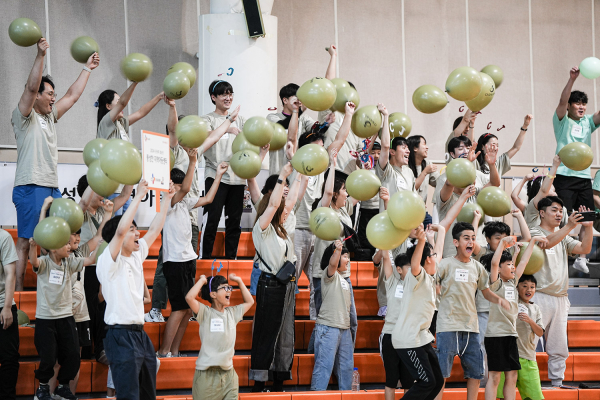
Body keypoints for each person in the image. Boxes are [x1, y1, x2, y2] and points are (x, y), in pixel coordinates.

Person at [12, 38, 99, 291]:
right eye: (49, 94)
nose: (53, 99)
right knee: (27, 241)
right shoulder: (24, 116)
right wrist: (40, 56)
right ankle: (18, 290)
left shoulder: (50, 117)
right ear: (38, 95)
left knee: (59, 236)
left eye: (53, 95)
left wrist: (87, 69)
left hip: (51, 187)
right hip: (30, 186)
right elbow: (30, 88)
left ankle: (51, 286)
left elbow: (72, 96)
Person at [97, 180, 175, 399]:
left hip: (140, 335)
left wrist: (166, 199)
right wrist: (139, 195)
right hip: (120, 335)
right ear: (118, 239)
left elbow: (155, 228)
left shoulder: (136, 256)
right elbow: (120, 230)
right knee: (129, 396)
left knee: (147, 394)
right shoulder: (108, 261)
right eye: (133, 230)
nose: (137, 233)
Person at [157, 155, 227, 358]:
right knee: (179, 308)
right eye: (177, 186)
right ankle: (163, 351)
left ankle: (175, 350)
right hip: (175, 262)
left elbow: (208, 199)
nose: (180, 189)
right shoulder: (166, 201)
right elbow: (186, 188)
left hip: (188, 259)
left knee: (188, 310)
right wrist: (193, 162)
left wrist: (218, 176)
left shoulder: (184, 202)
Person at [42, 196, 112, 395]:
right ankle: (49, 394)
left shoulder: (81, 252)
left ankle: (68, 395)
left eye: (78, 233)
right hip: (58, 313)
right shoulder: (52, 253)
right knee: (56, 360)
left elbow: (99, 238)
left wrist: (107, 214)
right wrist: (45, 208)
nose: (77, 237)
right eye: (73, 234)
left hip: (79, 315)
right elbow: (42, 237)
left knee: (75, 360)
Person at [293, 101, 355, 320]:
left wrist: (348, 114)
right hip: (297, 230)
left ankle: (315, 320)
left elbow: (339, 140)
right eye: (315, 149)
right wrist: (296, 112)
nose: (321, 153)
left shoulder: (324, 168)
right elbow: (292, 138)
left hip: (318, 233)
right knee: (290, 280)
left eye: (322, 149)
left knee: (316, 280)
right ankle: (286, 320)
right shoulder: (294, 165)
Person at [434, 222, 510, 400]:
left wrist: (498, 299)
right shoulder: (444, 264)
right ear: (455, 242)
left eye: (473, 239)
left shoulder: (477, 267)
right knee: (441, 374)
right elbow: (433, 286)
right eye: (466, 238)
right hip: (447, 326)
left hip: (471, 328)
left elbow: (486, 292)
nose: (471, 242)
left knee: (475, 374)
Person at [29, 215, 96, 400]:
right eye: (65, 243)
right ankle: (43, 388)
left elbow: (89, 261)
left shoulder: (70, 262)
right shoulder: (44, 262)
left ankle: (63, 387)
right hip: (46, 318)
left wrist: (105, 244)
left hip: (66, 316)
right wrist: (33, 246)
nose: (69, 246)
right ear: (52, 246)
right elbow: (33, 262)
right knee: (49, 357)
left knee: (73, 353)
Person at [528, 197, 593, 387]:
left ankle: (557, 382)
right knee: (528, 343)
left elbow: (584, 247)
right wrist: (569, 227)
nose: (559, 214)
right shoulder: (534, 231)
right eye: (554, 210)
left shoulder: (563, 235)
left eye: (560, 211)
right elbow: (546, 243)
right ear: (541, 213)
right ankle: (526, 384)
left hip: (560, 297)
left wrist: (587, 227)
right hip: (537, 295)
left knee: (559, 345)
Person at [250, 163, 301, 392]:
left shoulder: (280, 228)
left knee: (284, 333)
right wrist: (282, 176)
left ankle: (279, 377)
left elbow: (290, 202)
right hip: (270, 284)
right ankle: (260, 382)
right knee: (267, 332)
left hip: (285, 285)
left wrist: (301, 174)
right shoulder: (262, 227)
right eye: (279, 207)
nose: (284, 209)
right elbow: (274, 203)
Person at [481, 235, 547, 400]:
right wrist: (503, 244)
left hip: (511, 336)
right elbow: (495, 263)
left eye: (512, 265)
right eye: (509, 264)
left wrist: (532, 242)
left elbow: (523, 263)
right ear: (499, 268)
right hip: (495, 336)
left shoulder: (513, 282)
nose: (513, 267)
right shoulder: (496, 284)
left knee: (512, 376)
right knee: (495, 377)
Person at [77, 176, 132, 364]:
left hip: (104, 266)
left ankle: (100, 348)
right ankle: (86, 349)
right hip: (86, 267)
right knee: (89, 307)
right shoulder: (79, 212)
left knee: (103, 306)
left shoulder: (104, 209)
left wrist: (132, 174)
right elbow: (84, 201)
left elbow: (125, 195)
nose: (104, 193)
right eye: (98, 188)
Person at [553, 67, 600, 273]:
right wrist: (571, 79)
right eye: (577, 103)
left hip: (582, 177)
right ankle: (558, 254)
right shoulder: (562, 121)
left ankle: (582, 257)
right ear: (571, 106)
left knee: (587, 217)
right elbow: (562, 102)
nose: (581, 107)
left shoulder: (588, 122)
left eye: (583, 104)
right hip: (563, 175)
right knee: (564, 218)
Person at [391, 226, 446, 400]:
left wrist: (440, 232)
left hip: (421, 338)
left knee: (436, 381)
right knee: (426, 381)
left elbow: (438, 252)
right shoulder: (417, 275)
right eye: (434, 256)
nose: (437, 258)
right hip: (408, 338)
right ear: (428, 259)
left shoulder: (430, 279)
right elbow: (415, 263)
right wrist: (422, 241)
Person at [95, 83, 166, 215]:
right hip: (112, 187)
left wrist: (159, 97)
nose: (122, 106)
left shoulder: (121, 123)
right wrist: (135, 81)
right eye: (117, 101)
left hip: (124, 186)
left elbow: (140, 112)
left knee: (126, 225)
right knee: (114, 226)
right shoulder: (106, 122)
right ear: (108, 106)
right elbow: (123, 103)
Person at [185, 272, 254, 400]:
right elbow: (189, 297)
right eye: (225, 288)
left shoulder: (232, 313)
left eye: (230, 288)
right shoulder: (205, 313)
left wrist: (239, 281)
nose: (229, 291)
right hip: (207, 377)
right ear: (213, 294)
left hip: (229, 376)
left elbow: (250, 301)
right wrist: (202, 281)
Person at [200, 80, 244, 260]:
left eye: (230, 93)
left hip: (238, 178)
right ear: (213, 97)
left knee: (234, 222)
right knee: (212, 220)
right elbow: (205, 136)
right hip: (215, 175)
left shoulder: (241, 119)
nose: (228, 98)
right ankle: (205, 258)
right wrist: (228, 124)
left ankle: (231, 259)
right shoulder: (207, 119)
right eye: (224, 94)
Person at [310, 240, 354, 391]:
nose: (347, 260)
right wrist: (337, 250)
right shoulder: (329, 275)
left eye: (348, 257)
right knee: (323, 370)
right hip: (328, 328)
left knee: (347, 371)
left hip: (344, 330)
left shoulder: (345, 281)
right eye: (345, 256)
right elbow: (333, 264)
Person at [497, 274, 545, 400]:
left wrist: (530, 320)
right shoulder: (510, 304)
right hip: (508, 356)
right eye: (524, 286)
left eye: (532, 287)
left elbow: (540, 332)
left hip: (528, 357)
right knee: (503, 395)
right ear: (517, 288)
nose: (528, 290)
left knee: (535, 397)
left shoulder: (536, 308)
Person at [321, 45, 361, 174]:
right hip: (329, 173)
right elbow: (328, 84)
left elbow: (361, 155)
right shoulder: (330, 111)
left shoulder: (356, 122)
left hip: (348, 179)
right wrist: (333, 56)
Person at [267, 83, 315, 175]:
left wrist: (326, 123)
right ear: (285, 100)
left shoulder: (304, 118)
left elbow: (316, 130)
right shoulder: (272, 117)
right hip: (278, 171)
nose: (299, 100)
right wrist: (298, 111)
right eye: (296, 96)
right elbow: (283, 125)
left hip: (296, 170)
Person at [472, 114, 532, 184]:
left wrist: (525, 126)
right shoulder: (475, 162)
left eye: (497, 145)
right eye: (493, 144)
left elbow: (516, 148)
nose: (495, 148)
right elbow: (471, 142)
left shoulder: (498, 163)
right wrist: (471, 124)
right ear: (482, 147)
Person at [377, 104, 416, 205]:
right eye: (403, 148)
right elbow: (385, 146)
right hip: (388, 218)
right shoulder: (386, 170)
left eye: (408, 148)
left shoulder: (409, 172)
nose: (408, 151)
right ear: (392, 152)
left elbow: (414, 198)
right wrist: (386, 116)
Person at [0, 228, 19, 400]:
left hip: (2, 305)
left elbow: (10, 273)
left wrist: (7, 307)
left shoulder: (3, 237)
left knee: (9, 358)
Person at [356, 140, 384, 257]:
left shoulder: (384, 170)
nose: (376, 156)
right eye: (373, 152)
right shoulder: (365, 168)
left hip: (380, 209)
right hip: (366, 208)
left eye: (379, 153)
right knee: (364, 237)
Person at [407, 135, 439, 208]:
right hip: (408, 209)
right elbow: (411, 189)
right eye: (424, 144)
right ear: (415, 148)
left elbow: (439, 182)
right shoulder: (405, 166)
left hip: (422, 209)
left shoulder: (427, 164)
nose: (427, 147)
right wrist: (424, 172)